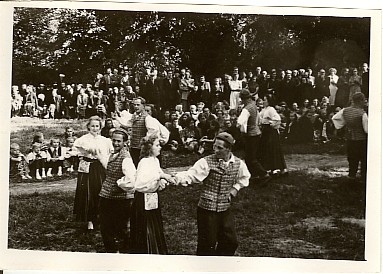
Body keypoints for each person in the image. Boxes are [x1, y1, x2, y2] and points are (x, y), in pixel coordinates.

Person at [175, 132, 250, 256]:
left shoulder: (238, 163)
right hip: (207, 209)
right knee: (207, 244)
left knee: (230, 241)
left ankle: (219, 266)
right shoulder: (206, 162)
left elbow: (244, 178)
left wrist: (235, 189)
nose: (215, 150)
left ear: (229, 149)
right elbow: (191, 175)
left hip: (224, 208)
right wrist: (176, 179)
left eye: (219, 148)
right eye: (214, 146)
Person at [130, 134, 177, 254]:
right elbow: (140, 184)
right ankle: (145, 252)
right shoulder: (144, 162)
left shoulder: (155, 160)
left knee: (154, 225)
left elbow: (158, 174)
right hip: (142, 200)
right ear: (149, 148)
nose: (160, 147)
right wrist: (160, 176)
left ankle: (155, 249)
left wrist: (164, 180)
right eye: (157, 145)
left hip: (152, 199)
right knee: (145, 227)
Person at [98, 129, 136, 253]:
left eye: (119, 141)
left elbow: (131, 179)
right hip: (106, 195)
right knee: (105, 226)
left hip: (120, 198)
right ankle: (112, 251)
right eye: (113, 140)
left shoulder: (126, 158)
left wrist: (119, 184)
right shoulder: (113, 153)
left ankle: (123, 252)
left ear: (125, 142)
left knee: (121, 227)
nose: (115, 143)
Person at [73, 116, 113, 230]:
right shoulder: (83, 139)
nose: (95, 129)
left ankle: (101, 216)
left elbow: (109, 153)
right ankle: (90, 219)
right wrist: (84, 154)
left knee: (100, 190)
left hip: (100, 167)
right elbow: (77, 149)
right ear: (88, 127)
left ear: (100, 127)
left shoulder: (105, 140)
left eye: (97, 126)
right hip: (88, 168)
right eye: (92, 126)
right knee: (88, 192)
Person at [237, 89, 272, 183]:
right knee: (251, 157)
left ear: (244, 99)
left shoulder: (246, 109)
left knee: (251, 158)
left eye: (242, 99)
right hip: (256, 133)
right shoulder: (253, 105)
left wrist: (239, 128)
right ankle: (253, 175)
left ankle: (264, 175)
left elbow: (239, 122)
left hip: (251, 135)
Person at [332, 92, 368, 181]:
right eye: (363, 100)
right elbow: (366, 130)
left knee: (352, 157)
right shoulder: (362, 113)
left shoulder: (345, 110)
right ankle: (363, 176)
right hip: (361, 140)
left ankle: (352, 175)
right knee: (363, 158)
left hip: (350, 138)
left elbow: (335, 118)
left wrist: (343, 125)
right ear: (360, 101)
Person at [258, 94, 288, 176]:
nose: (263, 101)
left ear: (269, 101)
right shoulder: (264, 109)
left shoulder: (271, 109)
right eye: (263, 100)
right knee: (265, 149)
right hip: (265, 131)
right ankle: (268, 167)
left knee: (272, 149)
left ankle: (275, 168)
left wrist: (270, 123)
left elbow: (277, 119)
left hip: (270, 131)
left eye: (265, 100)